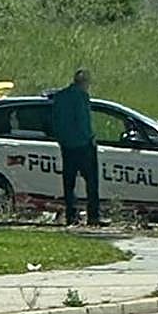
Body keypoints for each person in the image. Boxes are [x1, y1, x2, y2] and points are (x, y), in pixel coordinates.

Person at [51, 69, 105, 226]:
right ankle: (93, 216)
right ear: (85, 83)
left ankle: (71, 215)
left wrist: (61, 139)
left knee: (69, 183)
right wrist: (90, 138)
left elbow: (54, 121)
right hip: (83, 145)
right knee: (92, 183)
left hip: (66, 146)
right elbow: (83, 121)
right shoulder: (81, 97)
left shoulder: (60, 97)